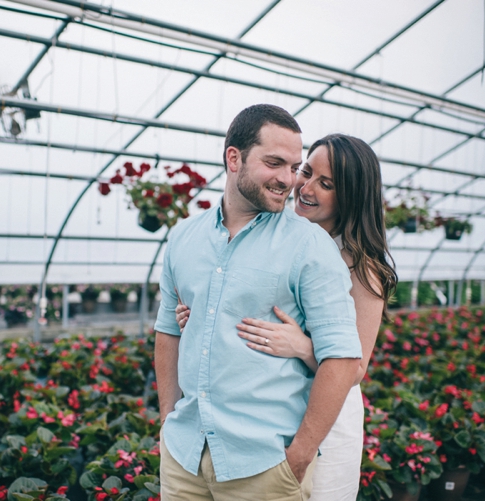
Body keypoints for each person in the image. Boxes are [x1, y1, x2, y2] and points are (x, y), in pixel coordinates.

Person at [154, 104, 363, 501]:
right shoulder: (184, 238)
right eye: (275, 163)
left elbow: (343, 359)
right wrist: (168, 423)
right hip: (183, 458)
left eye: (293, 166)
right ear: (234, 158)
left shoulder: (308, 244)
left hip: (264, 466)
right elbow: (167, 331)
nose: (289, 180)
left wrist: (298, 456)